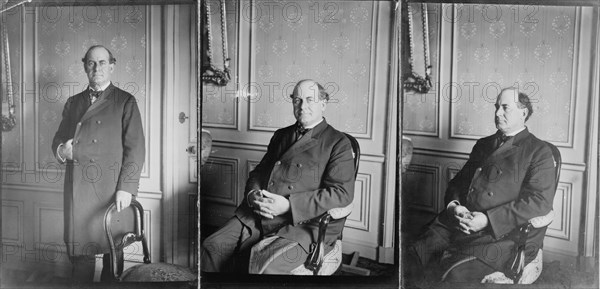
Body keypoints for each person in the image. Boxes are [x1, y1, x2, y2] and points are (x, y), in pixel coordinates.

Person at [201, 79, 356, 274]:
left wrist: (289, 205)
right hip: (260, 214)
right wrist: (252, 195)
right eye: (297, 100)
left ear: (323, 104)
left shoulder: (338, 142)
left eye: (310, 100)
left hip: (304, 224)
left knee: (264, 266)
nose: (303, 106)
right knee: (211, 246)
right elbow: (259, 171)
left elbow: (341, 193)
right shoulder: (281, 135)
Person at [406, 87, 557, 283]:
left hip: (501, 235)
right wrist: (455, 206)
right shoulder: (483, 144)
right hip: (460, 223)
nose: (497, 113)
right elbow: (458, 183)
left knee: (453, 275)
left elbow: (539, 202)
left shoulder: (539, 151)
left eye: (505, 108)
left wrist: (487, 220)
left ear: (523, 113)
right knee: (415, 255)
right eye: (496, 107)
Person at [52, 45, 145, 283]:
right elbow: (58, 139)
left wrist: (126, 187)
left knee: (113, 253)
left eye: (102, 62)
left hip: (111, 189)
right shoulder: (73, 102)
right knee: (81, 256)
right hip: (79, 189)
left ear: (112, 66)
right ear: (84, 67)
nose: (97, 68)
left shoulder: (125, 101)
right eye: (91, 63)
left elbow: (136, 150)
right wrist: (63, 150)